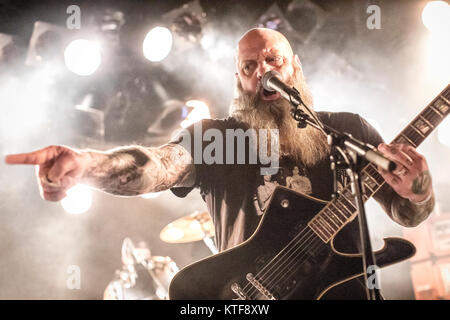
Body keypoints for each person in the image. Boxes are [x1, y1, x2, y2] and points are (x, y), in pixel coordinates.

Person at [5, 28, 435, 299]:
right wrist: (86, 164)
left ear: (295, 69)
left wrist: (419, 187)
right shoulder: (216, 138)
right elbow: (154, 166)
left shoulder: (350, 130)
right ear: (239, 80)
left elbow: (408, 212)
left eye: (273, 60)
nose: (262, 70)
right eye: (250, 66)